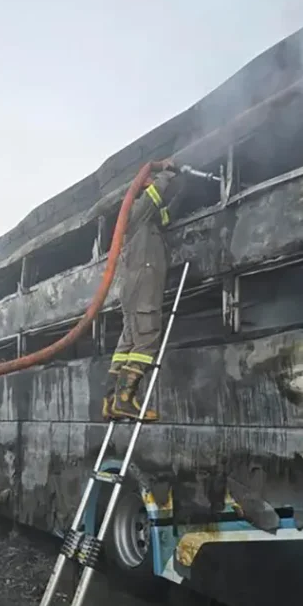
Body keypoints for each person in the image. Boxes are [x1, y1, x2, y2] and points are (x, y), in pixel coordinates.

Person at [85, 161, 187, 422]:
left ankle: (111, 401)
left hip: (132, 284)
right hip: (144, 278)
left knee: (128, 341)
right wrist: (167, 172)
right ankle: (125, 399)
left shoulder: (140, 223)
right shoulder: (135, 210)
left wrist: (181, 194)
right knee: (148, 336)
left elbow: (164, 216)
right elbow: (154, 196)